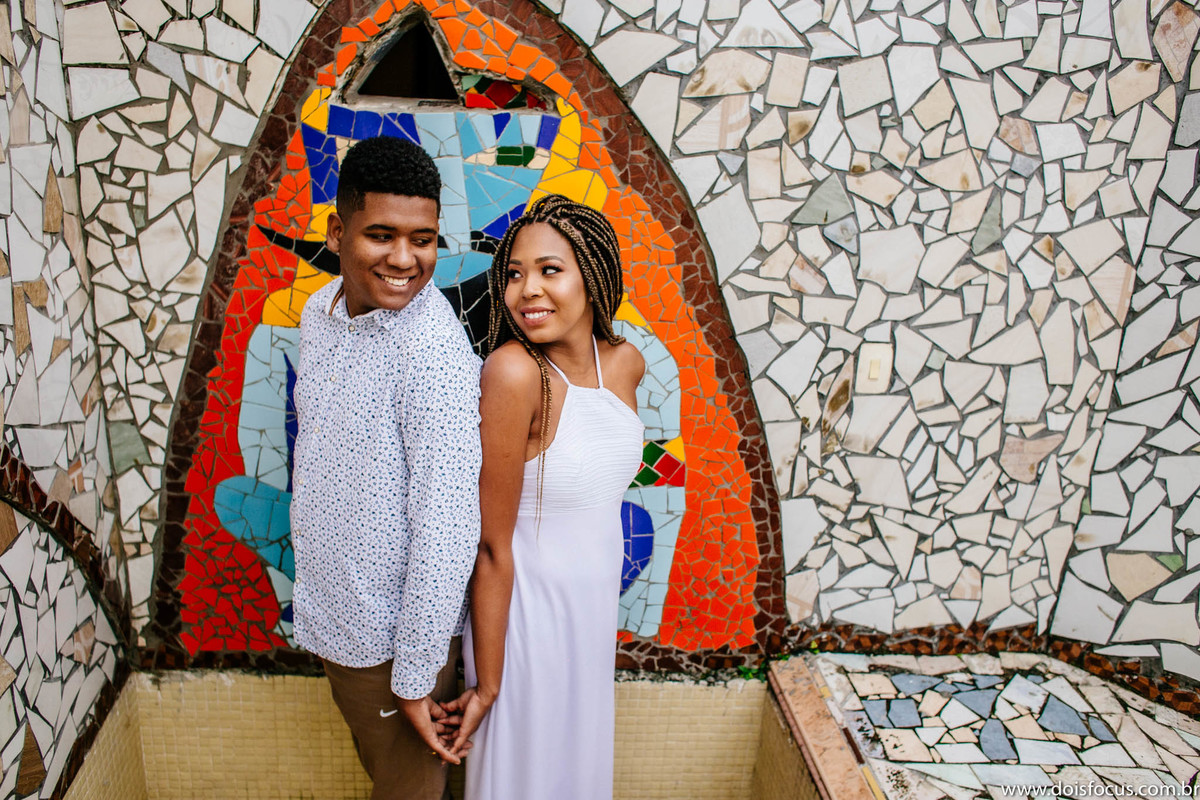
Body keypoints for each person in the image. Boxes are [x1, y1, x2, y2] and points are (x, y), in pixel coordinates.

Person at [290, 135, 482, 800]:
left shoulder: (434, 355)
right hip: (335, 620)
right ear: (337, 231)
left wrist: (414, 680)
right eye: (381, 235)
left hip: (395, 646)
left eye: (422, 239)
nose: (405, 259)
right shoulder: (321, 313)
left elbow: (449, 529)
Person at [442, 194, 646, 800]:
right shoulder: (514, 372)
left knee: (575, 776)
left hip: (590, 619)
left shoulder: (627, 364)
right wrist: (489, 682)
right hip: (524, 624)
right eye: (513, 273)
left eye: (549, 270)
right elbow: (490, 546)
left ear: (595, 275)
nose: (526, 289)